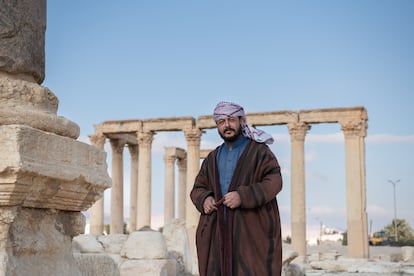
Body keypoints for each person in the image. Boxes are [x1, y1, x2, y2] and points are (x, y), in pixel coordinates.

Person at [190, 101, 283, 276]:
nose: (227, 125)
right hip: (218, 233)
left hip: (251, 233)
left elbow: (275, 180)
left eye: (231, 119)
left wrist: (243, 196)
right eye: (221, 121)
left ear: (241, 121)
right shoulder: (212, 157)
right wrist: (205, 199)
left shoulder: (260, 152)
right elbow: (198, 187)